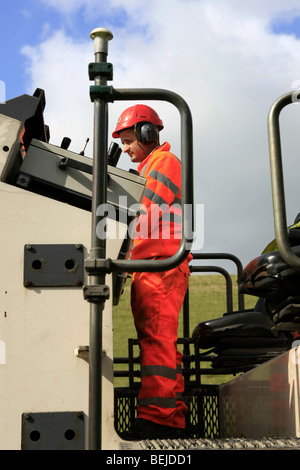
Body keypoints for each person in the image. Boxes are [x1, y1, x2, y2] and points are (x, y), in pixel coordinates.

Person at [112, 104, 192, 440]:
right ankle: (172, 418)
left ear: (148, 133)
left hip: (161, 267)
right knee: (162, 345)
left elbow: (143, 210)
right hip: (152, 268)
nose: (126, 148)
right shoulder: (149, 165)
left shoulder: (162, 163)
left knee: (156, 343)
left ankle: (156, 421)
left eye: (129, 140)